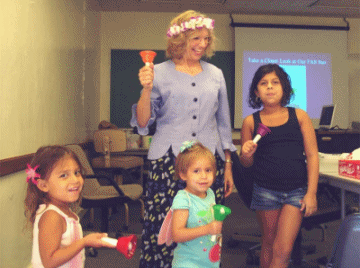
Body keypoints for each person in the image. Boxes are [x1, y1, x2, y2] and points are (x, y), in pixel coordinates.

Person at [130, 10, 236, 267]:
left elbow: (224, 123)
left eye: (206, 39)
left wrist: (229, 166)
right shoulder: (156, 72)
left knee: (205, 225)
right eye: (195, 38)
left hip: (208, 164)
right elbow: (143, 123)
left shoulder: (216, 74)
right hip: (168, 162)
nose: (202, 44)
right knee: (163, 226)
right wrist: (146, 89)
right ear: (179, 39)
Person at [240, 64, 319, 268]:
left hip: (296, 191)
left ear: (284, 88)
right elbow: (246, 164)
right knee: (268, 242)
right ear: (256, 92)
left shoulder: (300, 116)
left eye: (275, 82)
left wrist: (311, 193)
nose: (270, 87)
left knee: (283, 249)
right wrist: (246, 154)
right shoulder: (250, 122)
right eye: (263, 83)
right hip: (265, 191)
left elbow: (312, 156)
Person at [24, 146, 112, 268]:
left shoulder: (63, 211)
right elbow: (50, 261)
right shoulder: (51, 216)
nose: (75, 180)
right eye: (64, 175)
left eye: (77, 172)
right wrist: (84, 242)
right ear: (44, 185)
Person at [171, 141, 222, 267]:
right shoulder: (184, 199)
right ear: (183, 174)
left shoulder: (210, 193)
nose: (204, 176)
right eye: (196, 171)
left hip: (208, 262)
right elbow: (177, 234)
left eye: (208, 170)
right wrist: (208, 229)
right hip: (188, 263)